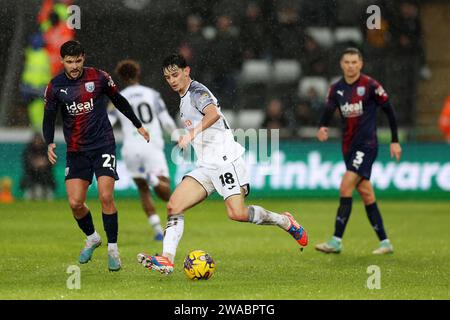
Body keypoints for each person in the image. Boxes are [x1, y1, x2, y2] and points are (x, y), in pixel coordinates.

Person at [137, 54, 308, 274]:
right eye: (168, 76)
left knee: (236, 213)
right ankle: (167, 259)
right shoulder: (183, 98)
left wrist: (191, 134)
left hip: (226, 160)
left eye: (175, 74)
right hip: (206, 164)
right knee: (174, 206)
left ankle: (284, 221)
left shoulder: (197, 92)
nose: (172, 80)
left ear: (186, 71)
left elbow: (213, 114)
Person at [42, 40, 149, 271]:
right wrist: (49, 142)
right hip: (76, 150)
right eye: (69, 62)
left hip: (102, 145)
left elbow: (118, 100)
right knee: (75, 202)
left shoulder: (98, 77)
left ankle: (113, 248)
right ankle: (92, 237)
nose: (74, 66)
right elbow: (49, 116)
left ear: (83, 58)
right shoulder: (55, 86)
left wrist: (137, 124)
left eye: (77, 60)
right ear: (62, 61)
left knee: (105, 196)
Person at [315, 48, 402, 255]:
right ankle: (385, 242)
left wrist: (395, 140)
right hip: (348, 146)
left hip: (367, 145)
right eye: (347, 62)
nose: (351, 65)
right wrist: (322, 126)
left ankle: (336, 241)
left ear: (361, 64)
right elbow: (328, 109)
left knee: (346, 186)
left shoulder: (371, 86)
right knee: (365, 193)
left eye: (355, 62)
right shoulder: (336, 89)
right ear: (341, 64)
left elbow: (389, 111)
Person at [109, 59, 179, 241]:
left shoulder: (118, 97)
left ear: (122, 78)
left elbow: (108, 122)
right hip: (151, 145)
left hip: (131, 148)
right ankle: (154, 178)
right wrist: (177, 137)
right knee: (165, 193)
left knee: (143, 190)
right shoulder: (152, 94)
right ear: (138, 74)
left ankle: (157, 229)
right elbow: (166, 120)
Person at [20, 133, 56, 200]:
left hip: (46, 179)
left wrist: (44, 164)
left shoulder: (46, 150)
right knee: (30, 195)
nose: (37, 142)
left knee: (48, 194)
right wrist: (34, 164)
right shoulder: (28, 150)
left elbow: (52, 163)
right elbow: (26, 164)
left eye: (39, 140)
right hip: (31, 178)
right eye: (36, 140)